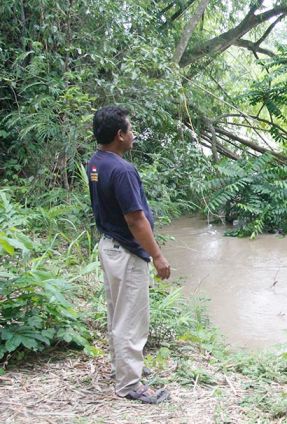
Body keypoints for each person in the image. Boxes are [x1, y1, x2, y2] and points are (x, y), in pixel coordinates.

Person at [87, 105, 170, 404]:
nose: (133, 134)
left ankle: (122, 371)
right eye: (130, 129)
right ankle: (129, 385)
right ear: (120, 135)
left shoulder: (96, 163)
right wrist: (158, 257)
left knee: (118, 315)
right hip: (125, 251)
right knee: (131, 321)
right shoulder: (122, 170)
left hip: (109, 246)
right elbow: (136, 220)